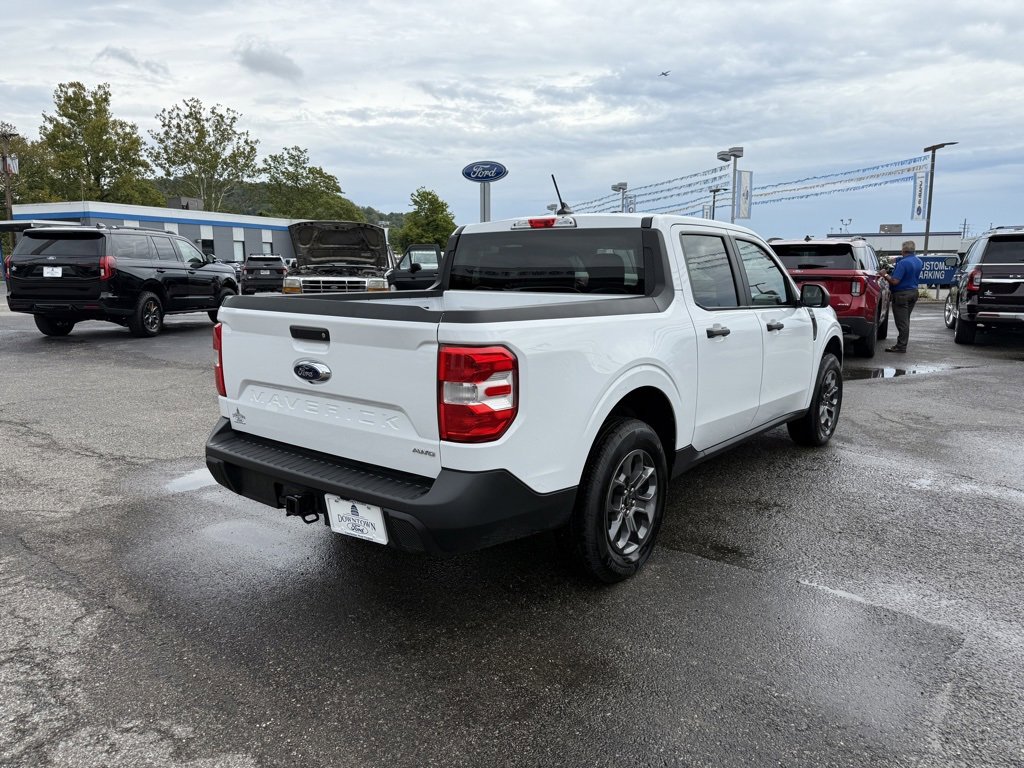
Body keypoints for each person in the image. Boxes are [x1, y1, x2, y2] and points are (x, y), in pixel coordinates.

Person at [878, 240, 923, 353]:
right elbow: (905, 262)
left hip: (901, 295)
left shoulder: (903, 263)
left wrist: (885, 274)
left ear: (903, 250)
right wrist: (897, 260)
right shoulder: (918, 261)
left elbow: (895, 281)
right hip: (913, 292)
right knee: (905, 320)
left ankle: (901, 346)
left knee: (902, 323)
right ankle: (902, 344)